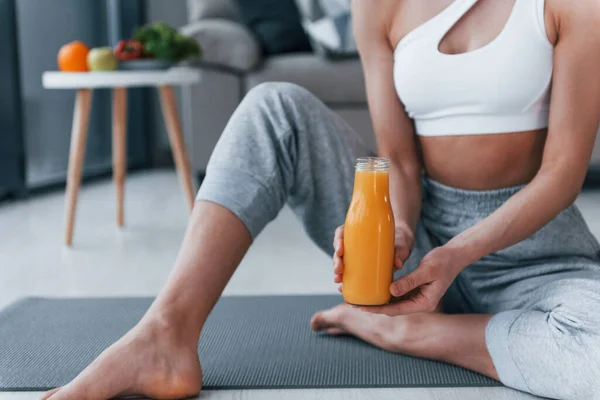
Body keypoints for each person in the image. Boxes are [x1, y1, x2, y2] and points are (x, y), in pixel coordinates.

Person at [42, 0, 600, 399]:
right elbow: (397, 161)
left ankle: (404, 331)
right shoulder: (378, 5)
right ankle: (165, 337)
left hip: (536, 257)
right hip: (422, 236)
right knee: (273, 107)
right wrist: (398, 231)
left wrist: (453, 259)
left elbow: (560, 175)